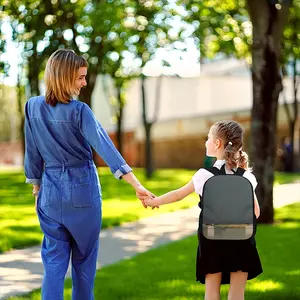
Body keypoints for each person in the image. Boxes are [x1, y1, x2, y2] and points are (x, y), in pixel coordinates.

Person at [24, 49, 154, 300]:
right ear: (64, 77)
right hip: (82, 190)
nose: (84, 83)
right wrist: (136, 184)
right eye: (80, 77)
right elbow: (106, 148)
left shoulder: (32, 107)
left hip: (49, 193)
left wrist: (37, 190)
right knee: (83, 264)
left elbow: (32, 153)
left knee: (53, 264)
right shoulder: (79, 111)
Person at [145, 120, 263, 300]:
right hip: (242, 241)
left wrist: (155, 201)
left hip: (212, 241)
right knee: (237, 295)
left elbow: (178, 195)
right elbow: (256, 212)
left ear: (217, 144)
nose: (205, 142)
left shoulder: (205, 175)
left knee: (211, 294)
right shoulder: (247, 177)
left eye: (208, 138)